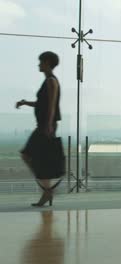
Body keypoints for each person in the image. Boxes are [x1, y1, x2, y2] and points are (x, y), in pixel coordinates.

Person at [16, 51, 62, 207]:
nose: (39, 64)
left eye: (41, 62)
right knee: (38, 159)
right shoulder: (47, 81)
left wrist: (48, 124)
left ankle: (46, 190)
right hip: (44, 125)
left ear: (48, 63)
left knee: (27, 155)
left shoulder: (51, 81)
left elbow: (52, 104)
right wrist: (25, 103)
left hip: (45, 126)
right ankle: (46, 191)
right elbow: (42, 103)